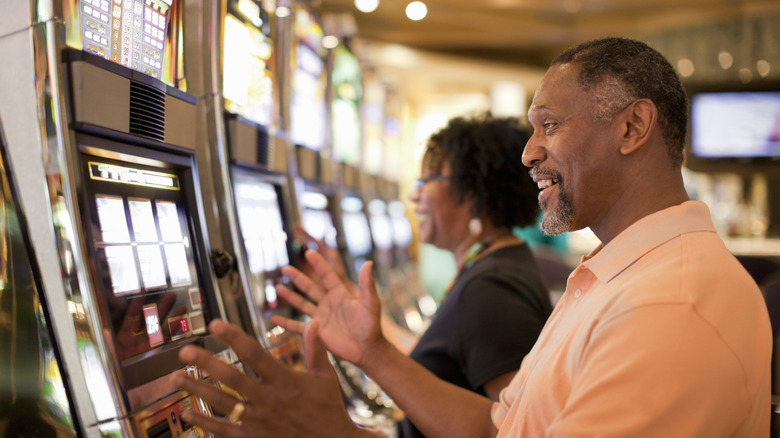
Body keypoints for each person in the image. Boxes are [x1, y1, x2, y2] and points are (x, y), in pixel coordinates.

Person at [172, 37, 772, 437]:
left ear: (633, 126)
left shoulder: (672, 306)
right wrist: (373, 353)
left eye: (549, 126)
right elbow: (496, 427)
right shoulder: (619, 276)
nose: (528, 151)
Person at [285, 114, 553, 437]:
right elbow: (438, 363)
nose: (413, 196)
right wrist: (348, 300)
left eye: (425, 182)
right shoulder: (492, 265)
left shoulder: (493, 290)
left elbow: (513, 428)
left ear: (471, 191)